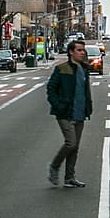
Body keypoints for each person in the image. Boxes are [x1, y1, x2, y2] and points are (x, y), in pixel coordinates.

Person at [45, 39, 92, 188]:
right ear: (71, 52)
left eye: (83, 50)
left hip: (80, 113)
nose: (82, 52)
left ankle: (69, 177)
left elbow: (85, 91)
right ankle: (54, 166)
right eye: (79, 50)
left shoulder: (84, 69)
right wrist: (58, 105)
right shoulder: (62, 69)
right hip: (65, 113)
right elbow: (51, 89)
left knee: (75, 147)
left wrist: (88, 107)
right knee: (70, 143)